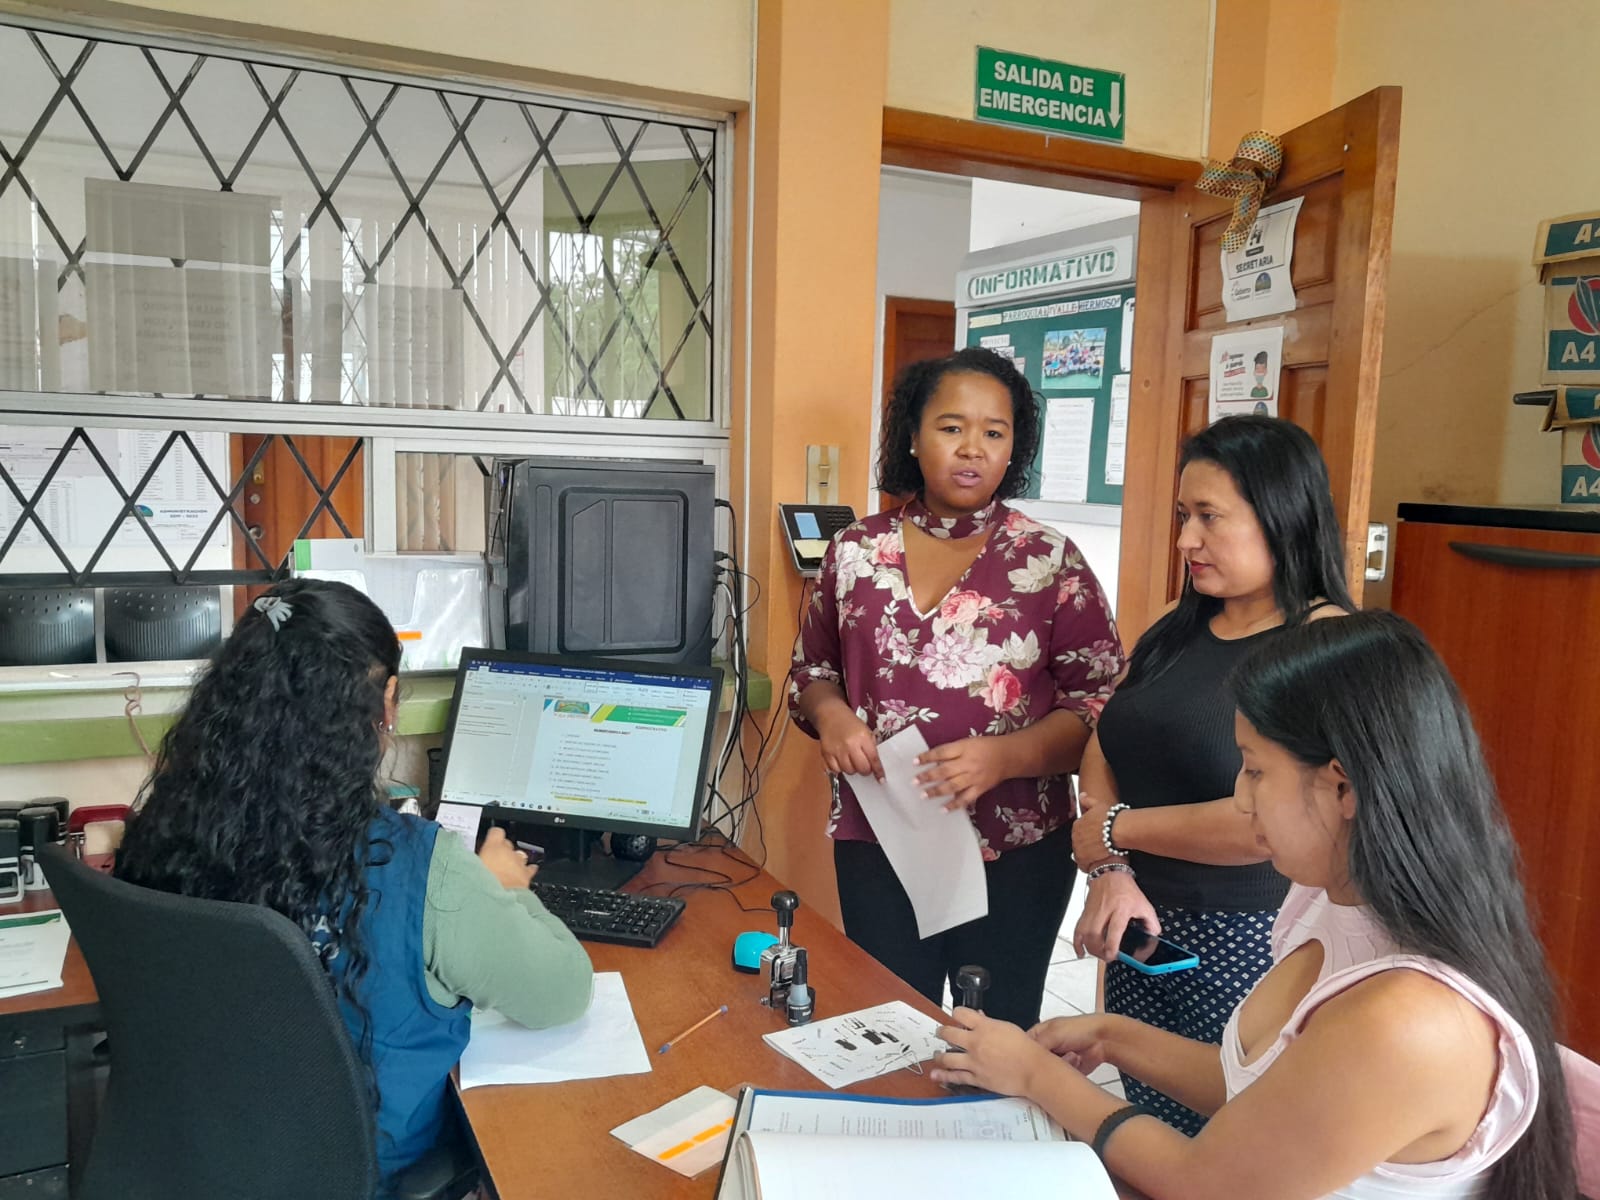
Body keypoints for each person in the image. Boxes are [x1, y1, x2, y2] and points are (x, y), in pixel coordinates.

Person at [932, 613, 1576, 1200]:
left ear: (1343, 788)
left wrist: (1039, 1078)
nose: (1242, 799)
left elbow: (1205, 1183)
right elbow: (1263, 1087)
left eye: (1255, 770)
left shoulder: (1408, 1020)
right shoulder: (1329, 900)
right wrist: (1110, 1035)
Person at [115, 578, 594, 1181]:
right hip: (364, 1172)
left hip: (196, 1160)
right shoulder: (416, 866)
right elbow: (561, 992)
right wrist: (505, 889)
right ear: (386, 701)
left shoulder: (165, 830)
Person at [790, 346, 1123, 1028]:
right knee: (888, 1025)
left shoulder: (1049, 561)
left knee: (996, 1035)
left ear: (1013, 448)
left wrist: (1005, 757)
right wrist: (832, 717)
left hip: (1016, 846)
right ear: (913, 438)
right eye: (951, 427)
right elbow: (812, 670)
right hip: (883, 836)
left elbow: (1099, 703)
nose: (972, 448)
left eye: (994, 432)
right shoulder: (855, 551)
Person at [1070, 414, 1353, 1133]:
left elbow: (1265, 824)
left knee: (1233, 1127)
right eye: (1181, 516)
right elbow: (1107, 738)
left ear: (1281, 515)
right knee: (1148, 1111)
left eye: (1208, 517)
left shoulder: (1323, 646)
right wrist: (1111, 871)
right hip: (1136, 919)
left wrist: (1112, 831)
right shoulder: (1179, 622)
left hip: (1247, 937)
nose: (1185, 541)